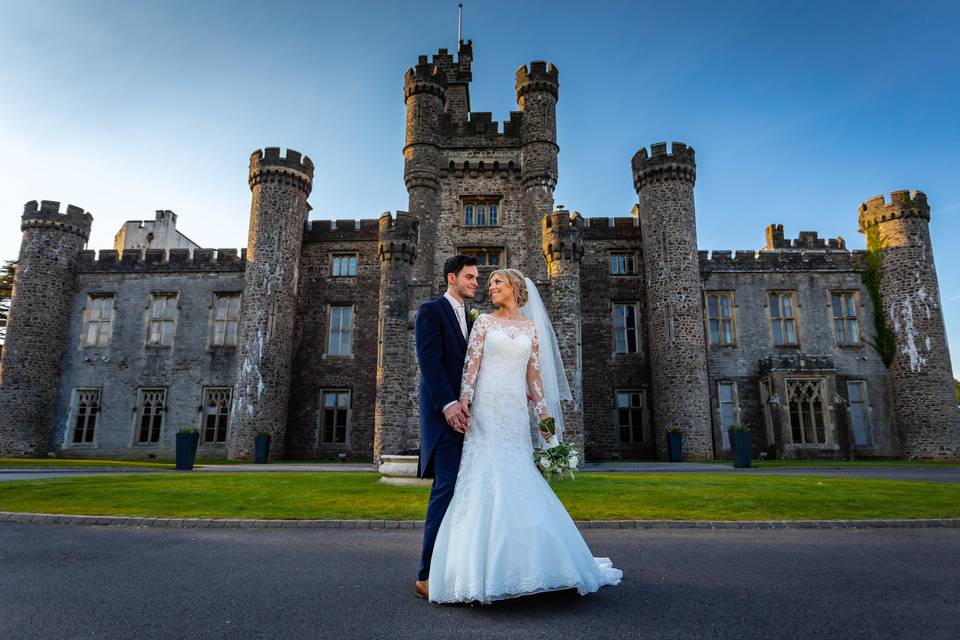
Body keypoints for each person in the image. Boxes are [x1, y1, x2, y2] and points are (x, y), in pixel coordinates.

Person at [425, 268, 622, 604]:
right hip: (486, 410)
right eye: (488, 284)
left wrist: (547, 423)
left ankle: (536, 565)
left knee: (519, 475)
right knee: (486, 478)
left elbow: (534, 379)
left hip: (515, 413)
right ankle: (478, 572)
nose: (491, 288)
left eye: (497, 282)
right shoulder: (484, 322)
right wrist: (464, 403)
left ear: (514, 287)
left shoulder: (530, 329)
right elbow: (470, 368)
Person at [413, 255, 479, 600]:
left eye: (477, 278)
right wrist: (448, 404)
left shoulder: (471, 318)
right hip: (443, 420)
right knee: (446, 489)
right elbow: (429, 362)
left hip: (466, 420)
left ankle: (455, 567)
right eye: (470, 277)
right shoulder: (431, 310)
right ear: (451, 278)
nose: (475, 283)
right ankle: (425, 575)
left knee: (464, 492)